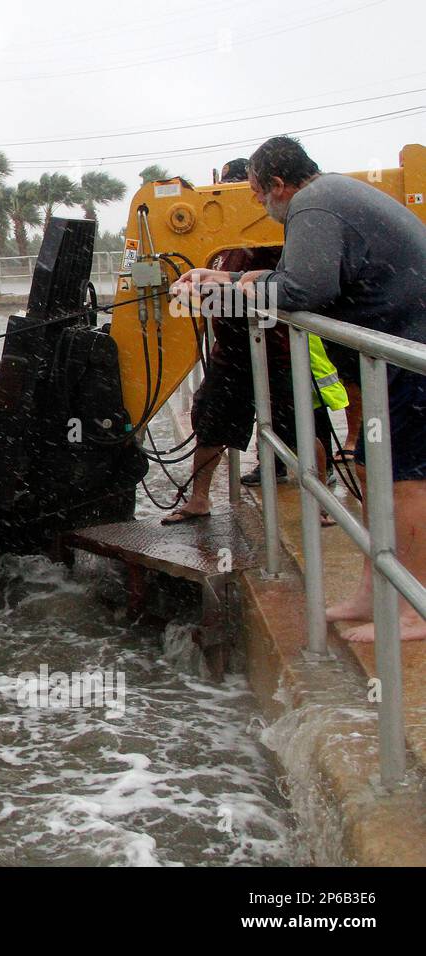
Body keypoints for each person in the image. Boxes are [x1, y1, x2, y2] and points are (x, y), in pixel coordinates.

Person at [175, 136, 426, 642]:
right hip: (395, 353)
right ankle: (371, 592)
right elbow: (294, 274)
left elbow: (304, 290)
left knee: (407, 481)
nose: (259, 204)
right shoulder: (328, 196)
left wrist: (221, 291)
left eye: (257, 192)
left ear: (277, 184)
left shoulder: (312, 205)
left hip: (411, 356)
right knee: (375, 473)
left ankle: (413, 608)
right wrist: (230, 276)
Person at [161, 159, 343, 527]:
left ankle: (323, 501)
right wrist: (188, 291)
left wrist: (206, 296)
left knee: (302, 427)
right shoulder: (219, 243)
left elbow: (278, 289)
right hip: (230, 352)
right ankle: (199, 499)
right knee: (211, 422)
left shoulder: (272, 234)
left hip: (279, 349)